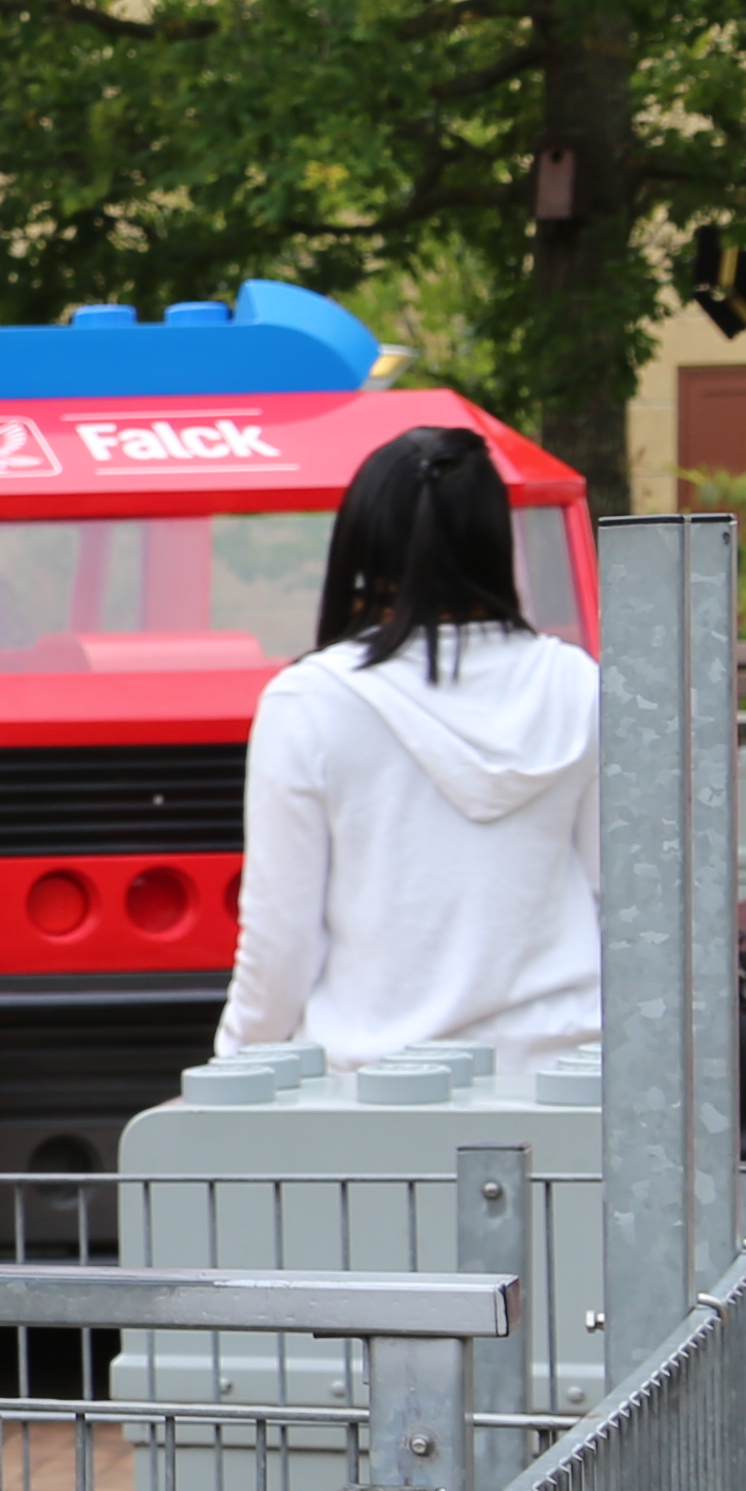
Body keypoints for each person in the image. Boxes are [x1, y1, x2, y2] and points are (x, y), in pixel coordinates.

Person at [219, 426, 601, 1067]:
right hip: (569, 1079)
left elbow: (280, 941)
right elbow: (617, 894)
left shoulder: (311, 700)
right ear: (495, 539)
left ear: (363, 541)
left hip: (372, 1092)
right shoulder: (579, 684)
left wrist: (232, 1070)